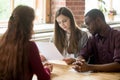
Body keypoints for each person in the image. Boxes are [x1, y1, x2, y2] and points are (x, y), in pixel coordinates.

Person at [0, 5, 53, 80]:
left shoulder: (2, 42)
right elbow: (43, 77)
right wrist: (48, 69)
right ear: (28, 24)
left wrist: (36, 61)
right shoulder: (30, 46)